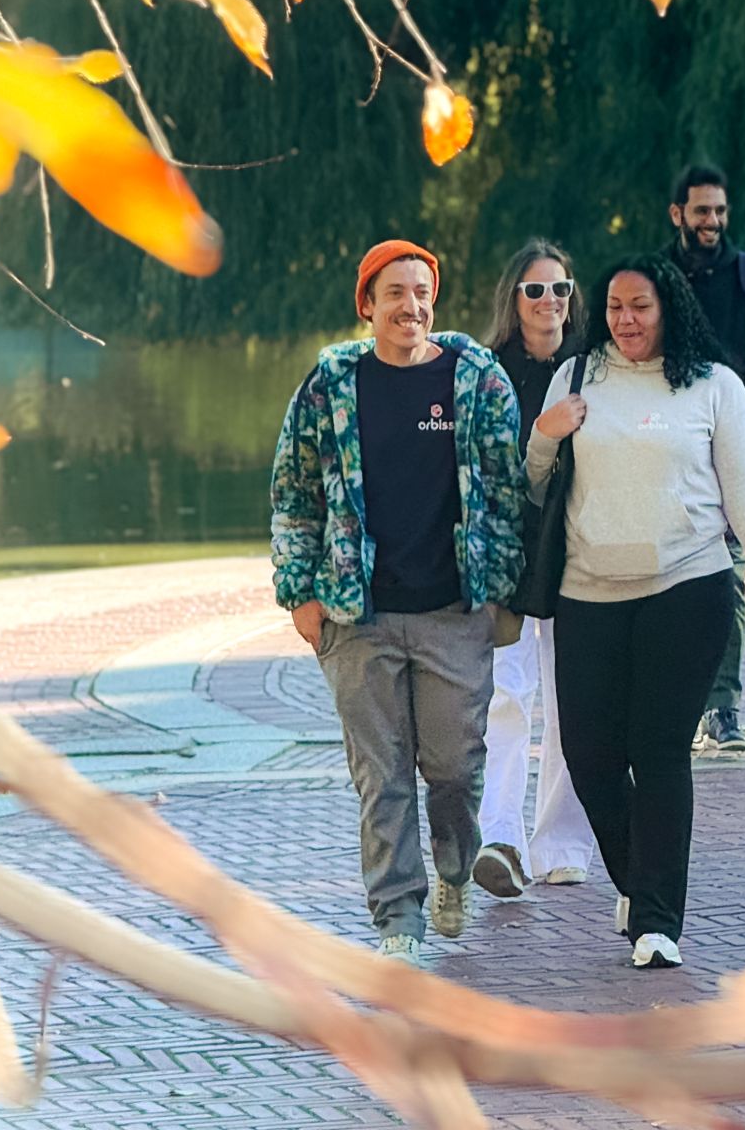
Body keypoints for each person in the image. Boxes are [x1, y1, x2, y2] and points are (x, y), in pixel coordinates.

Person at [527, 253, 745, 969]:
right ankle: (638, 881)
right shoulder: (576, 375)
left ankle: (658, 924)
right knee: (590, 757)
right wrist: (544, 432)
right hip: (587, 594)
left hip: (686, 590)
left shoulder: (715, 387)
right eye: (616, 306)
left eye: (642, 306)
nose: (626, 320)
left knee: (658, 753)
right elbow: (533, 483)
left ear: (670, 309)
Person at [270, 240, 526, 962]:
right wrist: (300, 594)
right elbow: (293, 492)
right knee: (380, 775)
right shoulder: (329, 386)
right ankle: (397, 919)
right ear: (367, 305)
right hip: (358, 615)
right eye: (394, 294)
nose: (410, 307)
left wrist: (501, 588)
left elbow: (506, 490)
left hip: (454, 611)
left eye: (421, 292)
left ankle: (452, 870)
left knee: (453, 766)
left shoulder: (475, 379)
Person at [474, 239, 598, 896]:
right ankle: (500, 837)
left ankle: (561, 844)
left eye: (559, 288)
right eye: (534, 290)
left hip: (578, 557)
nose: (549, 301)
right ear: (513, 301)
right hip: (509, 560)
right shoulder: (487, 375)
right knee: (507, 699)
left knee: (571, 704)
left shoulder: (593, 370)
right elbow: (484, 473)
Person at [665, 163, 745, 752]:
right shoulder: (656, 280)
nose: (712, 221)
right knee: (668, 583)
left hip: (734, 459)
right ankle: (678, 705)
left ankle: (724, 707)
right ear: (678, 215)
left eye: (719, 211)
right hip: (666, 459)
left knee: (729, 583)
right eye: (701, 211)